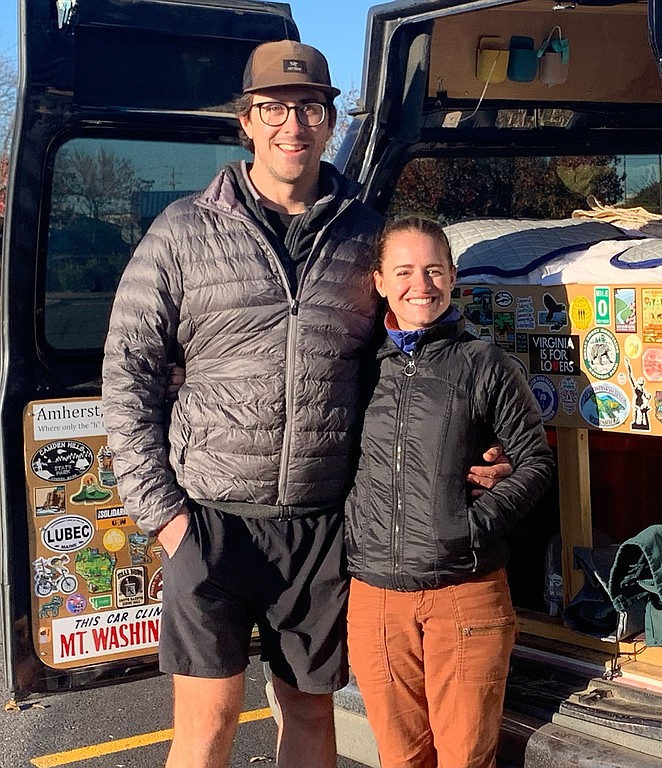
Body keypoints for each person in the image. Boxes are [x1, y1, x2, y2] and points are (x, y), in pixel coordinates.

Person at [102, 40, 510, 768]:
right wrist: (167, 522)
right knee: (209, 724)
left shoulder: (363, 236)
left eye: (311, 108)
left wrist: (473, 437)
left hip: (320, 527)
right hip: (210, 520)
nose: (294, 124)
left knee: (310, 718)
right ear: (247, 121)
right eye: (275, 108)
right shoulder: (183, 231)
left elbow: (410, 350)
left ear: (329, 121)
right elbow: (127, 375)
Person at [345, 216, 554, 768]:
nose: (423, 285)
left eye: (435, 270)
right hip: (376, 598)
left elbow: (535, 463)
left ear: (453, 277)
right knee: (400, 758)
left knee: (464, 758)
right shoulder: (357, 367)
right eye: (406, 271)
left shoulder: (483, 363)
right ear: (380, 281)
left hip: (465, 592)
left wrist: (471, 527)